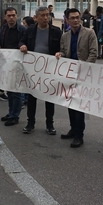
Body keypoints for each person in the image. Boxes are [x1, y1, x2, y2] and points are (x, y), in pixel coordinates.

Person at [55, 8, 97, 147]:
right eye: (72, 18)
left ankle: (79, 135)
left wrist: (84, 69)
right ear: (67, 19)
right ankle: (73, 129)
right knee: (70, 103)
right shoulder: (65, 36)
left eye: (77, 17)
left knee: (79, 106)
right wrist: (59, 54)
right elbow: (63, 50)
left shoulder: (89, 33)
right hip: (69, 74)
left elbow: (93, 53)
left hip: (83, 74)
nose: (75, 20)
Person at [19, 7, 62, 135]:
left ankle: (50, 124)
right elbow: (22, 40)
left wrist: (60, 53)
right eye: (42, 15)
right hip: (33, 69)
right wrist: (22, 45)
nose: (45, 18)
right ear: (36, 17)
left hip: (49, 69)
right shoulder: (30, 30)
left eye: (47, 15)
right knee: (32, 97)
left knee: (49, 97)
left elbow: (61, 47)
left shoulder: (56, 31)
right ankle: (30, 123)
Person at [0, 7, 27, 126]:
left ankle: (15, 116)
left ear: (17, 16)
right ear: (5, 17)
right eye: (9, 15)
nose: (11, 18)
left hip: (18, 64)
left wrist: (23, 46)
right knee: (9, 89)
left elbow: (25, 42)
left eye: (13, 15)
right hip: (6, 64)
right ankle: (11, 112)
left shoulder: (22, 30)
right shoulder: (4, 28)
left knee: (16, 92)